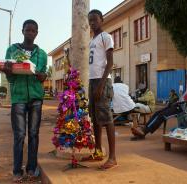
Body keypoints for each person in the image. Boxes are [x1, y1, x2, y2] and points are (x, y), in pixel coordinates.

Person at [0, 19, 47, 182]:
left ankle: (32, 168)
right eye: (27, 30)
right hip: (18, 97)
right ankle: (17, 171)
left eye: (33, 31)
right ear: (22, 31)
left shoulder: (42, 54)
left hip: (36, 98)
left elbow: (42, 75)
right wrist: (7, 71)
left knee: (34, 134)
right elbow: (11, 78)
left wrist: (42, 76)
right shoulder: (12, 50)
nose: (30, 33)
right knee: (19, 135)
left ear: (37, 33)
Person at [82, 9, 117, 170]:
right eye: (90, 20)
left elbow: (110, 63)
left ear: (101, 20)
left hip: (103, 82)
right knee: (95, 118)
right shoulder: (92, 40)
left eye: (95, 19)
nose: (92, 23)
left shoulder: (106, 37)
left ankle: (113, 158)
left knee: (106, 118)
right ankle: (97, 152)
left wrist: (101, 85)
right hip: (92, 81)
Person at [131, 74, 187, 140]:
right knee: (158, 112)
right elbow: (183, 97)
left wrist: (179, 103)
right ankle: (144, 128)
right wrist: (175, 102)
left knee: (162, 115)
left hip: (184, 109)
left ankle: (144, 131)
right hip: (179, 106)